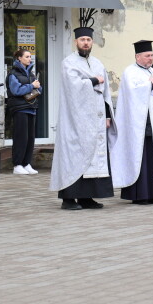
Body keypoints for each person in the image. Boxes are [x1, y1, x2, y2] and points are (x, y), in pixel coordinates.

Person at [49, 27, 116, 211]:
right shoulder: (68, 63)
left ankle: (87, 197)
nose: (86, 43)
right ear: (76, 42)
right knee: (74, 155)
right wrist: (94, 81)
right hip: (75, 120)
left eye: (88, 40)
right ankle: (68, 198)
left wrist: (107, 115)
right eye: (82, 40)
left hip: (96, 119)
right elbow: (73, 87)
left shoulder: (97, 63)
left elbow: (106, 92)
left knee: (93, 154)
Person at [111, 40, 153, 204]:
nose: (150, 58)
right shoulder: (130, 72)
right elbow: (132, 94)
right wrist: (150, 85)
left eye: (152, 55)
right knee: (142, 158)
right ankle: (140, 195)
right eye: (147, 55)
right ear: (137, 56)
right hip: (138, 124)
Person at [7, 49, 41, 175]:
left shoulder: (31, 73)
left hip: (31, 108)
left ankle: (26, 163)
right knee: (21, 137)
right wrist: (31, 86)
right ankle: (17, 165)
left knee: (30, 138)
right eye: (27, 56)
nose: (29, 59)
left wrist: (35, 87)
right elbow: (16, 90)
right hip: (19, 108)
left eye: (30, 57)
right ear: (19, 58)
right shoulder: (13, 74)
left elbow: (39, 88)